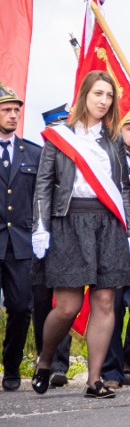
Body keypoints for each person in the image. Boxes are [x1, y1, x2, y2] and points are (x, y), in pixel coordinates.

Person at [30, 70, 130, 399]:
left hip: (107, 223)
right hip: (69, 221)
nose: (103, 101)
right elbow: (44, 185)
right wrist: (40, 226)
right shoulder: (59, 136)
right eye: (98, 94)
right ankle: (46, 360)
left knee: (106, 301)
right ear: (84, 95)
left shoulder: (114, 138)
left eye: (109, 96)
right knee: (67, 306)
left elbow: (121, 188)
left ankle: (94, 380)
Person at [101, 106, 130, 389]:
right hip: (113, 241)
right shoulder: (108, 158)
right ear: (119, 131)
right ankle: (112, 370)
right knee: (112, 307)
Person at [0, 84, 41, 392]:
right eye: (6, 110)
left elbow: (41, 197)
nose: (13, 115)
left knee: (19, 307)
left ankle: (11, 366)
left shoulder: (32, 152)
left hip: (21, 243)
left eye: (16, 110)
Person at [30, 105, 72, 388]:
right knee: (41, 302)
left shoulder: (72, 160)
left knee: (65, 302)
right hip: (32, 239)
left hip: (65, 237)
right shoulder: (33, 155)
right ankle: (43, 357)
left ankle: (59, 364)